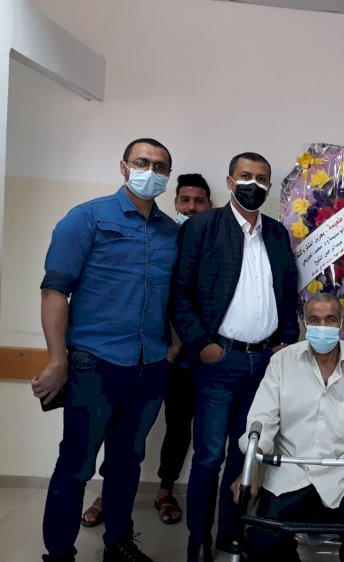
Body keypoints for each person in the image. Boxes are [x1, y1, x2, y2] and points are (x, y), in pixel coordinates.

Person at [32, 138, 179, 562]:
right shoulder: (87, 218)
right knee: (76, 464)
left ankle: (118, 544)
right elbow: (54, 290)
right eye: (142, 162)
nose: (151, 171)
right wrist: (57, 359)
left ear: (167, 176)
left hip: (150, 365)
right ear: (123, 167)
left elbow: (174, 297)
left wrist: (172, 347)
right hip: (94, 362)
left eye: (160, 166)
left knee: (126, 462)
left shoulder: (171, 232)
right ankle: (59, 553)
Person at [170, 152, 299, 562]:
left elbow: (288, 292)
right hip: (218, 362)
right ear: (229, 181)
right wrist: (202, 345)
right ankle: (198, 539)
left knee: (246, 455)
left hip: (263, 364)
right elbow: (179, 293)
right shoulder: (203, 227)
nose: (253, 184)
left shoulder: (276, 233)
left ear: (269, 186)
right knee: (209, 456)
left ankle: (230, 531)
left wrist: (286, 342)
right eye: (246, 176)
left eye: (262, 179)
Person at [80, 173, 213, 529]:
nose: (191, 207)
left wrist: (180, 345)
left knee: (179, 426)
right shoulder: (161, 238)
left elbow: (200, 305)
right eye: (185, 200)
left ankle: (165, 490)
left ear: (209, 206)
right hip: (142, 353)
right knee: (120, 426)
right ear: (176, 202)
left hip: (186, 358)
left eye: (199, 201)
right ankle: (105, 495)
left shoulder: (212, 248)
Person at [232, 292, 344, 562]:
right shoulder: (282, 363)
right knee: (263, 543)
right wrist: (251, 467)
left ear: (341, 323)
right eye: (315, 320)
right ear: (304, 322)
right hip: (291, 470)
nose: (323, 326)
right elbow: (263, 419)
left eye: (330, 319)